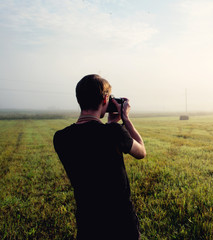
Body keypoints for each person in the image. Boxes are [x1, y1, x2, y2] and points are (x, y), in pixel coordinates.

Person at [53, 74, 146, 239]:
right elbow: (141, 152)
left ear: (79, 100)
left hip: (88, 224)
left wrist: (111, 125)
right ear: (105, 99)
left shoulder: (61, 138)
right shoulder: (114, 132)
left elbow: (92, 145)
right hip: (121, 225)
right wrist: (125, 119)